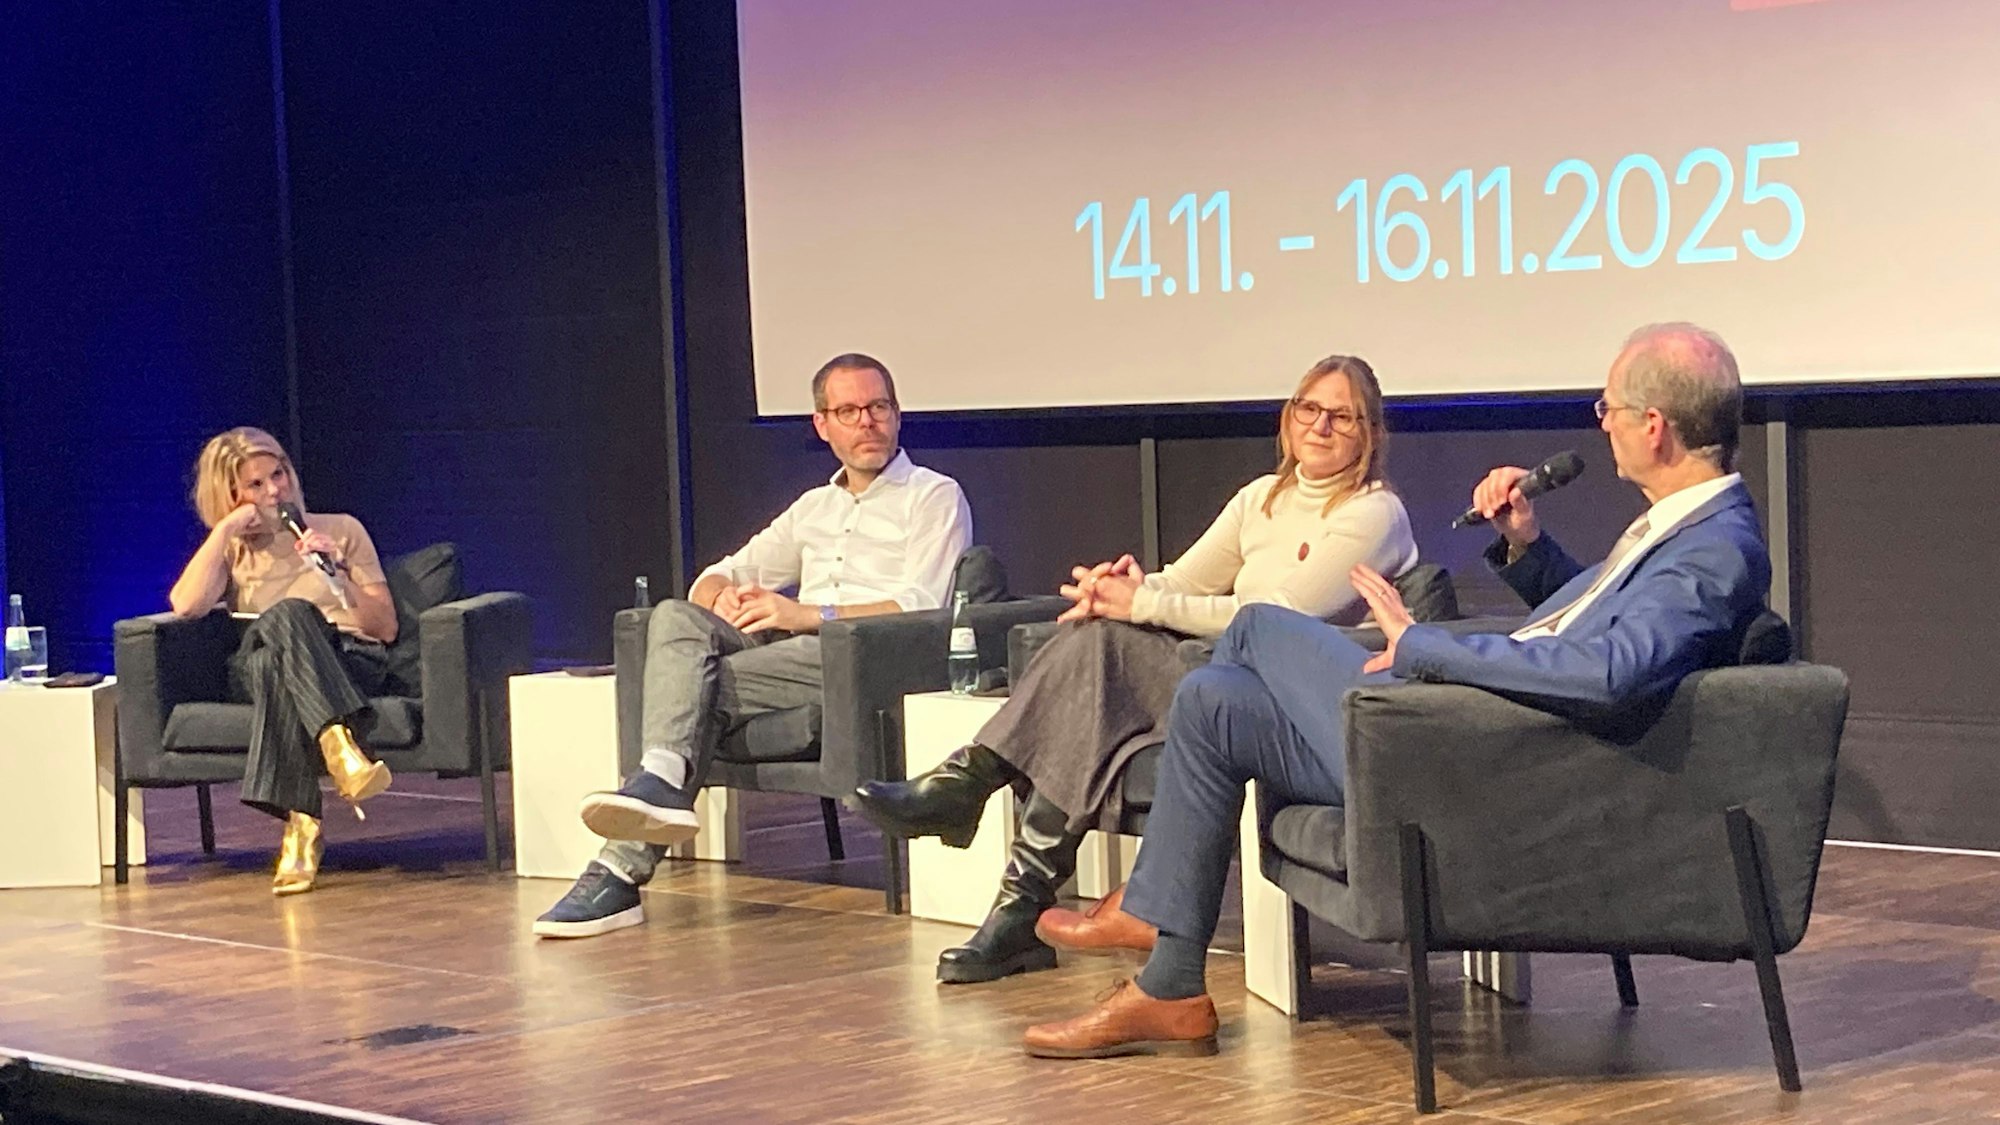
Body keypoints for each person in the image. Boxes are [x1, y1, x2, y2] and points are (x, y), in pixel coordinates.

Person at [1020, 323, 1771, 1059]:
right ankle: (1172, 985)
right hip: (1473, 732)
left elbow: (1609, 675)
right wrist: (1525, 544)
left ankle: (1152, 905)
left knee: (1257, 626)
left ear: (1654, 425)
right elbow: (1583, 624)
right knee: (1214, 701)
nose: (1599, 424)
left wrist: (1423, 647)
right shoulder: (1681, 530)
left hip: (1486, 759)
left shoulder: (1714, 548)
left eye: (1606, 408)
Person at [847, 355, 1420, 984]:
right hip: (1211, 677)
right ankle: (1006, 888)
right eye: (1308, 409)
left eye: (1343, 416)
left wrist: (1143, 604)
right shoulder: (1260, 497)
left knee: (1099, 659)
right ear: (1287, 421)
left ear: (1369, 433)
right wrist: (1124, 587)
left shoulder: (1372, 513)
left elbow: (1278, 617)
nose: (1321, 426)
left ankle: (978, 808)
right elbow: (1186, 579)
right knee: (1093, 658)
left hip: (1284, 705)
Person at [534, 353, 974, 938]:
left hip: (865, 658)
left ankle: (621, 864)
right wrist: (726, 598)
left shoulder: (933, 496)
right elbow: (722, 572)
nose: (867, 421)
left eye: (878, 407)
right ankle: (657, 787)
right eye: (849, 410)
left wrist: (805, 612)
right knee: (677, 617)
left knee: (689, 692)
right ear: (822, 424)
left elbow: (922, 603)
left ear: (897, 415)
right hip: (787, 651)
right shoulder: (814, 507)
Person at [167, 427, 400, 896]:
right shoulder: (230, 548)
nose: (275, 490)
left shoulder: (340, 531)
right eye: (256, 485)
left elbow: (385, 629)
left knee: (280, 655)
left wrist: (337, 575)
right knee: (279, 630)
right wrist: (227, 529)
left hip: (345, 659)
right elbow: (186, 606)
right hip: (254, 663)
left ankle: (301, 824)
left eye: (279, 475)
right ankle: (339, 747)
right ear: (231, 495)